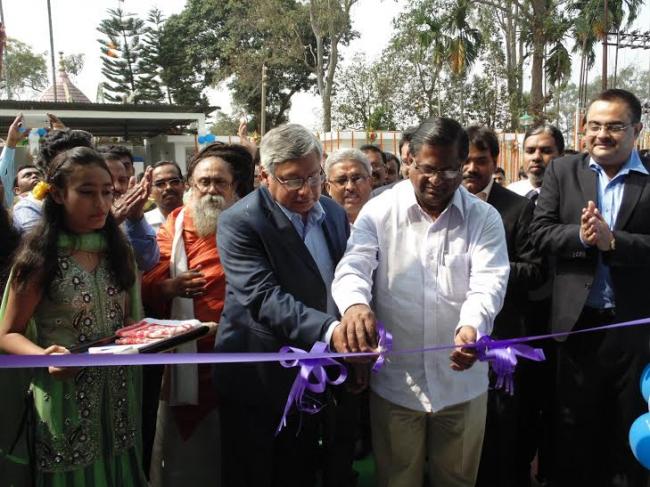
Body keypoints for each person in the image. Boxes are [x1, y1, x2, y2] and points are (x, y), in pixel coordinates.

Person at [331, 117, 510, 487]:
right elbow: (354, 266)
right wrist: (355, 306)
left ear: (462, 165)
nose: (437, 180)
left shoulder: (484, 218)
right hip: (398, 383)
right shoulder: (379, 211)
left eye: (449, 170)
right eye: (427, 169)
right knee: (396, 479)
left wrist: (473, 326)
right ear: (409, 161)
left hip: (462, 384)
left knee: (457, 480)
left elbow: (489, 281)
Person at [213, 124, 351, 487]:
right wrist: (332, 330)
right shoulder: (241, 221)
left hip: (317, 370)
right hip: (258, 376)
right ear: (264, 176)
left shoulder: (333, 213)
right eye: (293, 180)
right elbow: (263, 297)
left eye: (315, 176)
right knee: (255, 473)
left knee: (302, 469)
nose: (307, 190)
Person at [0, 147, 147, 485]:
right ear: (57, 194)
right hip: (63, 401)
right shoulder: (39, 259)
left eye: (107, 192)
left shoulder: (119, 252)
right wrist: (45, 356)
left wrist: (155, 336)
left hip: (117, 399)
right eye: (87, 192)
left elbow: (128, 322)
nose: (101, 203)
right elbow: (7, 333)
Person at [530, 88, 650, 487]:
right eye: (594, 125)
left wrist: (614, 242)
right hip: (576, 328)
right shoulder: (563, 172)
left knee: (628, 431)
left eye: (614, 127)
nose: (601, 134)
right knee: (573, 432)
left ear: (636, 130)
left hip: (634, 331)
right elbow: (540, 233)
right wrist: (581, 237)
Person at [143, 144, 253, 486]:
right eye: (204, 182)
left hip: (239, 351)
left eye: (220, 182)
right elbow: (149, 280)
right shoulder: (175, 224)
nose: (211, 190)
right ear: (191, 185)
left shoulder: (250, 222)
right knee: (184, 459)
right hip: (184, 355)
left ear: (234, 187)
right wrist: (170, 287)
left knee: (238, 448)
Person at [462, 125, 543, 487]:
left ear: (495, 161)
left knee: (500, 426)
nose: (471, 168)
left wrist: (488, 270)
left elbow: (536, 271)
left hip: (501, 339)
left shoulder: (518, 208)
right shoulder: (441, 205)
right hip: (453, 338)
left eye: (480, 160)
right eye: (465, 160)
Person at [12, 127, 93, 233]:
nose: (79, 171)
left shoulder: (102, 197)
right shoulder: (30, 207)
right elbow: (38, 241)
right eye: (67, 165)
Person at [103, 148, 160, 272]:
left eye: (122, 180)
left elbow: (148, 262)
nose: (117, 187)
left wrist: (135, 217)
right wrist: (111, 223)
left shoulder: (131, 217)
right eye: (109, 180)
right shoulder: (80, 219)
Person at [508, 125, 565, 200]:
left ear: (561, 156)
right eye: (530, 151)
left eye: (546, 151)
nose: (536, 157)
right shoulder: (511, 193)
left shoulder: (572, 195)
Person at [324, 149, 373, 224]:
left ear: (370, 182)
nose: (350, 187)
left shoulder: (385, 221)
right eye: (341, 180)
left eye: (357, 178)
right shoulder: (320, 225)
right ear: (328, 188)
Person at [145, 161, 185, 232]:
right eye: (160, 184)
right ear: (150, 191)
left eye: (174, 182)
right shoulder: (144, 224)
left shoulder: (198, 218)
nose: (168, 187)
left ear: (183, 185)